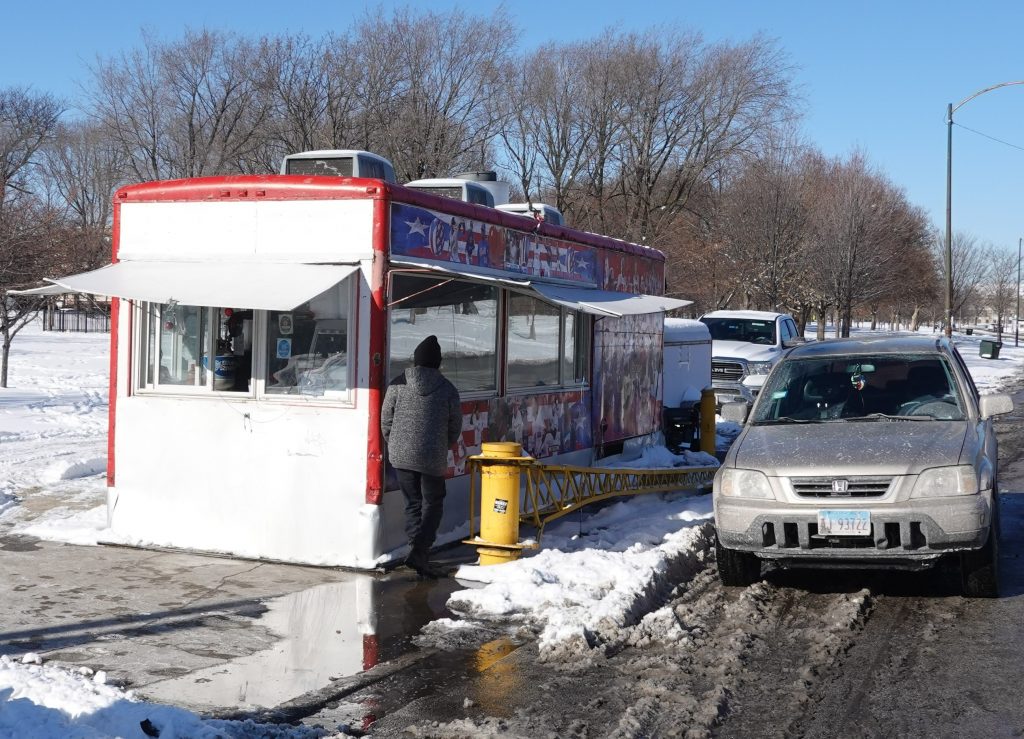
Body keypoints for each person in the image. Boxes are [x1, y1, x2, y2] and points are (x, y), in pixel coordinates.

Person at [381, 335, 463, 578]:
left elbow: (386, 419)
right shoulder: (448, 389)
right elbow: (454, 425)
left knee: (413, 503)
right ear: (438, 363)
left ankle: (416, 550)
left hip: (401, 454)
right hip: (432, 456)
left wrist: (394, 443)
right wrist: (443, 444)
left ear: (415, 361)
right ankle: (420, 551)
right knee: (434, 502)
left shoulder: (397, 383)